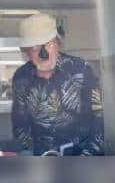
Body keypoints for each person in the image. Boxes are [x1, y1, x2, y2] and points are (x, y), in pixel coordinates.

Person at [11, 13, 104, 156]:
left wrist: (88, 156)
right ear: (27, 52)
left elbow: (98, 117)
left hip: (81, 154)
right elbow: (20, 123)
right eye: (35, 47)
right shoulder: (21, 77)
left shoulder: (81, 69)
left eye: (49, 44)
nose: (44, 54)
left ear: (58, 43)